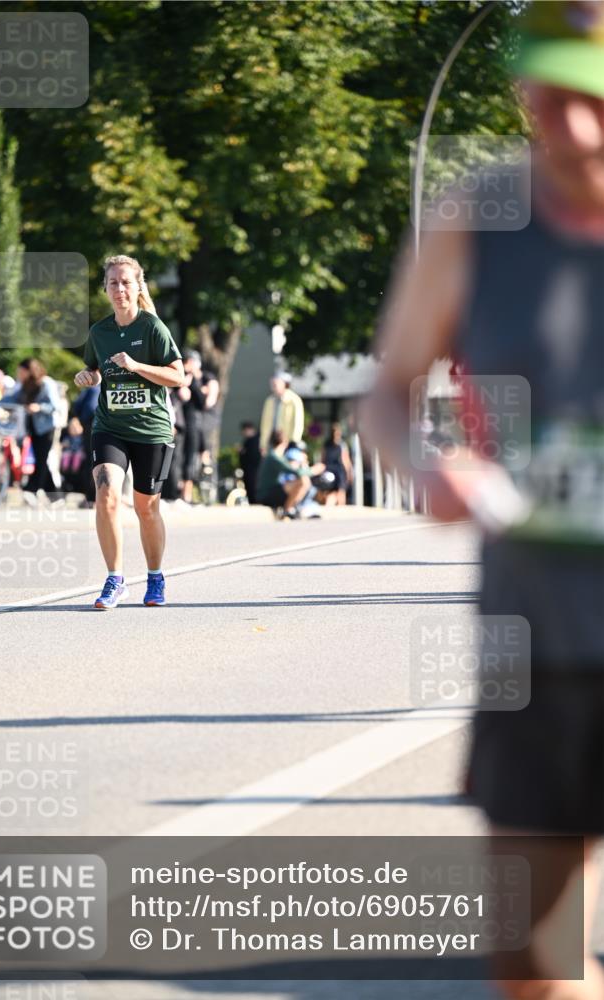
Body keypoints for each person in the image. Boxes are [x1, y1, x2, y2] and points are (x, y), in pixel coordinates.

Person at [365, 4, 604, 997]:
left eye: (593, 96)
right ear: (518, 89)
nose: (575, 127)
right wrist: (427, 466)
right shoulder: (475, 217)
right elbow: (385, 390)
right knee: (532, 958)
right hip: (536, 635)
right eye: (551, 95)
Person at [74, 254, 184, 610]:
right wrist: (87, 377)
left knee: (146, 508)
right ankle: (115, 579)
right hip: (110, 427)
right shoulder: (100, 332)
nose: (119, 289)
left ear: (138, 287)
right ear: (104, 288)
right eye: (113, 283)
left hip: (151, 429)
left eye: (126, 282)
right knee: (105, 493)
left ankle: (154, 576)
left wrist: (137, 366)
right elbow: (94, 370)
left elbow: (178, 376)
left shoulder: (152, 328)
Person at [2, 358, 60, 503]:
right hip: (33, 428)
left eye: (21, 372)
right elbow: (14, 398)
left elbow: (55, 405)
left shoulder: (47, 383)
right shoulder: (25, 386)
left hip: (46, 428)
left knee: (41, 459)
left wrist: (39, 407)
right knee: (42, 460)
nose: (19, 375)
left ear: (30, 371)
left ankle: (31, 489)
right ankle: (55, 496)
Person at [256, 429, 315, 518]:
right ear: (284, 442)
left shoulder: (275, 456)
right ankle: (288, 509)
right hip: (266, 494)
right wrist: (313, 470)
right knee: (303, 481)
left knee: (303, 481)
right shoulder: (274, 457)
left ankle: (292, 508)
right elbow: (294, 471)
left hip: (272, 490)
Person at [177, 349, 206, 503]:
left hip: (193, 423)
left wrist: (193, 382)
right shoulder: (178, 377)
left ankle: (186, 494)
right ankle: (177, 491)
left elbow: (202, 403)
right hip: (180, 422)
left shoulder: (197, 380)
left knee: (190, 458)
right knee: (178, 457)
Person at [259, 371, 304, 454]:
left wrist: (293, 442)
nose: (273, 384)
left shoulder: (294, 400)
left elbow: (298, 423)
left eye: (277, 382)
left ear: (285, 384)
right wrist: (263, 444)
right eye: (273, 382)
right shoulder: (270, 401)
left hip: (287, 443)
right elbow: (265, 424)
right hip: (272, 442)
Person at [72, 382, 100, 506]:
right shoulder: (93, 387)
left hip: (101, 425)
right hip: (91, 425)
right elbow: (78, 406)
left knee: (96, 462)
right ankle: (91, 497)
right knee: (92, 462)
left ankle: (93, 497)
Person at [321, 422, 353, 505]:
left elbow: (346, 460)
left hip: (339, 470)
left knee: (340, 490)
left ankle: (340, 506)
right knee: (331, 491)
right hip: (331, 469)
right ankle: (337, 506)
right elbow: (323, 458)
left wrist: (349, 472)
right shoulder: (329, 444)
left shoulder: (341, 444)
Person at [238, 421, 261, 504]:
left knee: (253, 489)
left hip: (254, 470)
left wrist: (243, 452)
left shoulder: (256, 440)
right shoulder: (248, 441)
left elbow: (253, 455)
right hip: (248, 470)